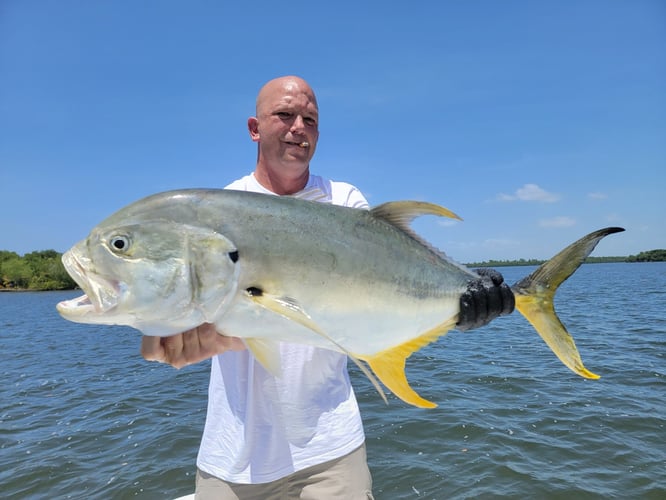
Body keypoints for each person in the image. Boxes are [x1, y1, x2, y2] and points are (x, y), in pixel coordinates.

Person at [141, 76, 514, 500]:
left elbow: (383, 292)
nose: (299, 127)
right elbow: (159, 344)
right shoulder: (222, 211)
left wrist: (461, 302)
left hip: (331, 448)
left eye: (310, 120)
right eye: (285, 115)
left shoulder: (343, 200)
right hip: (234, 459)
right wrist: (167, 346)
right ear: (254, 128)